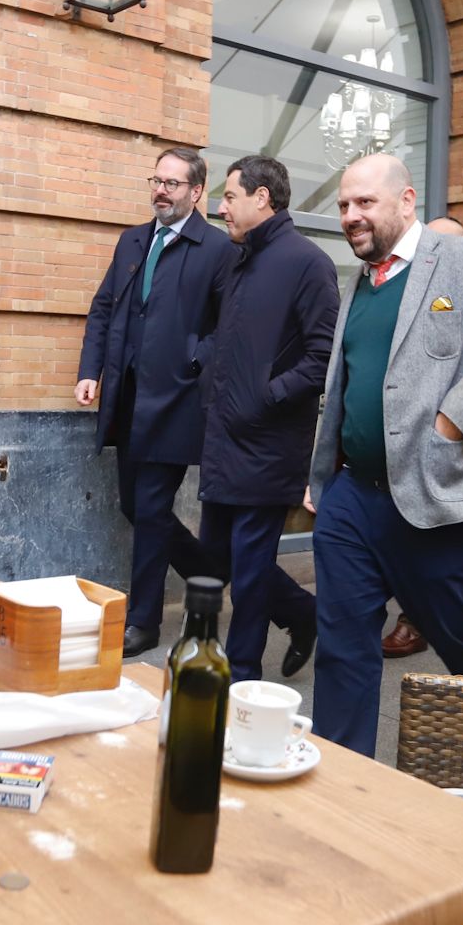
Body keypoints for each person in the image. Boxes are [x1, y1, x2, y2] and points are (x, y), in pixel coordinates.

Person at [304, 155, 463, 756]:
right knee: (340, 643)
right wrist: (323, 474)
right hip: (353, 498)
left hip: (438, 495)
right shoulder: (359, 279)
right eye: (343, 205)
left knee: (460, 637)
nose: (351, 216)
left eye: (365, 202)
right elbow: (351, 382)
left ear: (406, 200)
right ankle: (341, 776)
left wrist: (452, 420)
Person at [76, 148, 237, 656]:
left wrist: (194, 361)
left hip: (176, 401)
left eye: (172, 183)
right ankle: (221, 578)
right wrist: (90, 371)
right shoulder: (132, 241)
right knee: (135, 506)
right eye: (156, 180)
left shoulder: (217, 249)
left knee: (149, 507)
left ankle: (143, 621)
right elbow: (103, 310)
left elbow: (227, 327)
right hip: (126, 397)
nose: (161, 190)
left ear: (196, 192)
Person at [198, 155, 337, 681]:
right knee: (222, 558)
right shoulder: (238, 259)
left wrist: (266, 397)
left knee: (250, 572)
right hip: (225, 435)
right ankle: (304, 614)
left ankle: (239, 675)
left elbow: (322, 357)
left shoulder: (308, 262)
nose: (221, 207)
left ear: (262, 198)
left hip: (269, 440)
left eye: (229, 196)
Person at [379, 213, 463, 660]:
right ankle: (405, 614)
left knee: (450, 570)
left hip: (457, 448)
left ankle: (424, 621)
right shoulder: (405, 286)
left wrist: (455, 420)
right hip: (397, 448)